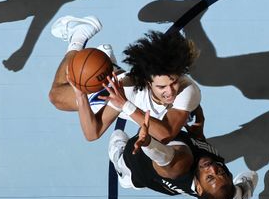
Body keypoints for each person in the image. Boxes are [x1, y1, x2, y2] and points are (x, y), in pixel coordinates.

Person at [48, 15, 204, 143]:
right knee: (56, 97)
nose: (170, 91)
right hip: (116, 85)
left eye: (173, 83)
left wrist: (125, 105)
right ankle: (79, 35)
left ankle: (108, 65)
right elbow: (93, 133)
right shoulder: (125, 90)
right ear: (148, 82)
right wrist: (80, 93)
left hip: (125, 98)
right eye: (162, 87)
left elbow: (166, 133)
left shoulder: (187, 88)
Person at [109, 110, 258, 199]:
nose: (212, 168)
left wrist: (147, 141)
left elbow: (162, 156)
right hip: (184, 181)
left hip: (134, 167)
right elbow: (211, 173)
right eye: (221, 172)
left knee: (118, 136)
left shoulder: (180, 166)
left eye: (210, 177)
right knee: (220, 193)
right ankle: (233, 198)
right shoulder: (212, 165)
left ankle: (124, 174)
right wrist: (198, 133)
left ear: (199, 187)